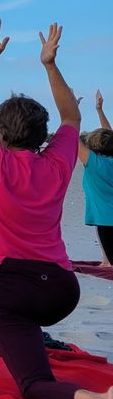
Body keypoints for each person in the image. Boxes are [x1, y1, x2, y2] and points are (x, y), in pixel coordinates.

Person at [0, 17, 113, 399]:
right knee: (28, 329)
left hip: (5, 289)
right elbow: (70, 116)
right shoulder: (56, 161)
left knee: (34, 383)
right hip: (60, 291)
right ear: (43, 136)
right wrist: (49, 64)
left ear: (0, 135)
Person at [79, 88, 113, 267]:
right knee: (108, 257)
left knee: (110, 262)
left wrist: (73, 111)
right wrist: (99, 110)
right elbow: (110, 134)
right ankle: (106, 262)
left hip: (106, 219)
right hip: (107, 218)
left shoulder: (93, 163)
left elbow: (71, 137)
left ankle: (106, 264)